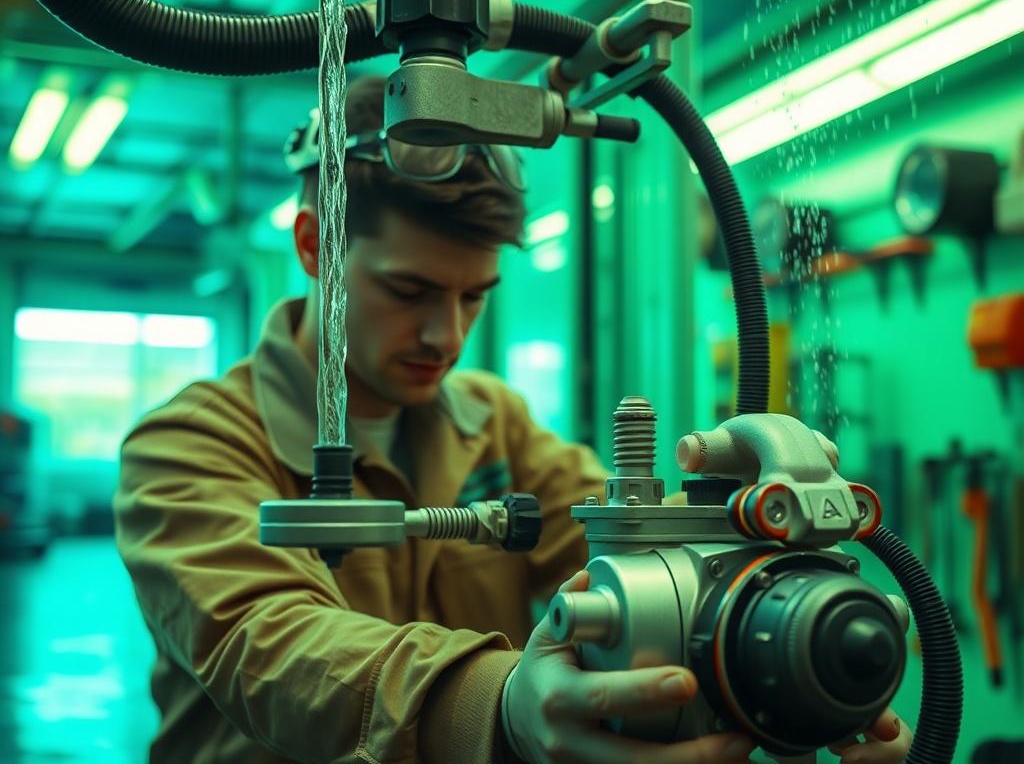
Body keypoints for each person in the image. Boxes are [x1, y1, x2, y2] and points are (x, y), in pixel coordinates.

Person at [114, 75, 912, 764]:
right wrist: (495, 708)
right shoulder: (189, 445)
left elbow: (641, 553)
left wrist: (781, 619)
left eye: (474, 297)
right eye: (410, 291)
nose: (446, 336)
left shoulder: (494, 421)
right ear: (318, 246)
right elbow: (269, 643)